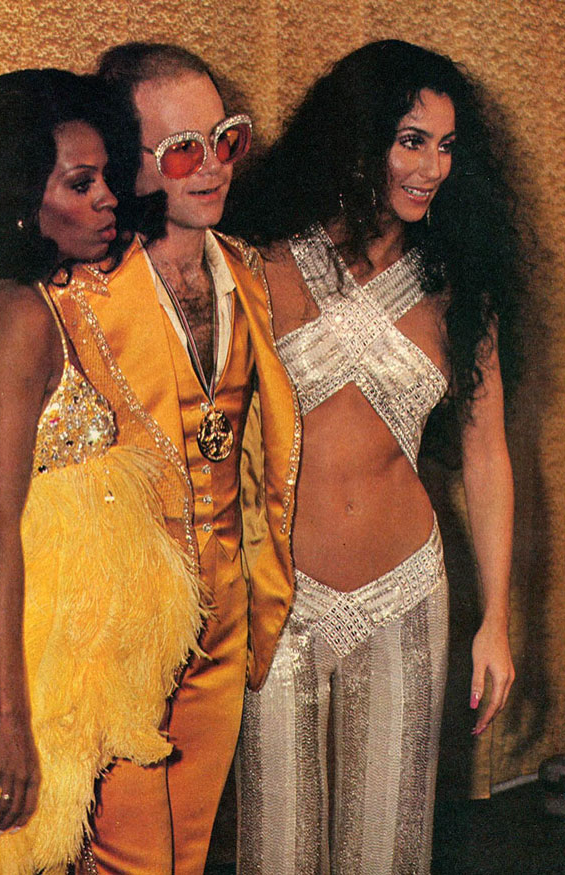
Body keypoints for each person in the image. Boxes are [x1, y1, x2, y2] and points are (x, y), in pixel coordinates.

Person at [0, 44, 300, 875]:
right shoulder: (64, 286)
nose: (212, 166)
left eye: (228, 139)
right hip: (100, 630)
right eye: (182, 148)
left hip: (220, 615)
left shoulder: (251, 271)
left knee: (186, 855)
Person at [225, 40, 520, 874]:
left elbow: (487, 455)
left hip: (404, 598)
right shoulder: (263, 261)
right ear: (357, 140)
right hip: (278, 603)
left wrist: (495, 619)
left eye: (448, 145)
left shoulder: (462, 286)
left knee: (387, 855)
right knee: (276, 853)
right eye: (411, 140)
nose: (432, 167)